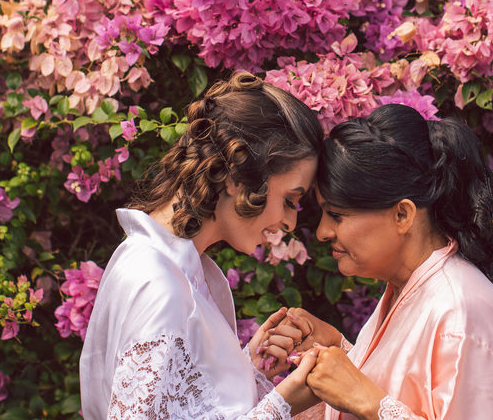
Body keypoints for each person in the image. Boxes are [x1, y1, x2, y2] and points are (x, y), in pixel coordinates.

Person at [80, 72, 324, 420]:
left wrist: (244, 372)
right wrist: (282, 404)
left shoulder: (156, 261)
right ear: (237, 177)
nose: (290, 222)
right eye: (289, 199)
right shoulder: (161, 288)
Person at [286, 103, 493, 420]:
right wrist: (341, 355)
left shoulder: (465, 318)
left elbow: (374, 401)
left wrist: (368, 402)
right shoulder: (411, 289)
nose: (322, 232)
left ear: (402, 215)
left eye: (336, 215)